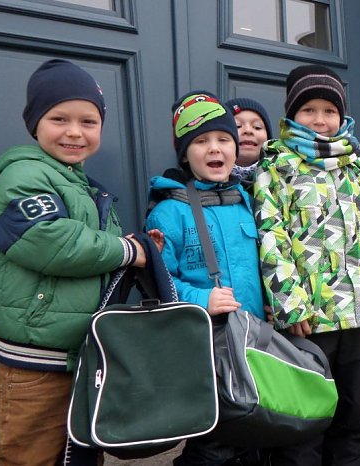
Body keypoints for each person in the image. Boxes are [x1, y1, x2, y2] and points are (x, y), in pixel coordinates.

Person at [0, 58, 153, 465]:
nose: (74, 132)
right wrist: (126, 250)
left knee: (80, 458)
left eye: (88, 122)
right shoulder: (22, 174)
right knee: (28, 457)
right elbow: (46, 239)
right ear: (34, 123)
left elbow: (90, 251)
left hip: (82, 357)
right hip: (34, 365)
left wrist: (130, 246)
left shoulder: (80, 184)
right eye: (59, 118)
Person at [252, 65, 360, 466]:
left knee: (356, 416)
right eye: (310, 109)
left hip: (354, 317)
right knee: (306, 421)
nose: (321, 120)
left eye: (330, 110)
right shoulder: (276, 167)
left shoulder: (354, 166)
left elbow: (358, 235)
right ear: (292, 114)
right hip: (309, 320)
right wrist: (290, 305)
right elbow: (272, 238)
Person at [145, 90, 265, 465]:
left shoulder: (247, 200)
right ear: (184, 153)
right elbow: (158, 283)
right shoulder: (169, 212)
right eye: (201, 141)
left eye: (223, 139)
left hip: (255, 340)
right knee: (214, 445)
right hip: (205, 347)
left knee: (255, 435)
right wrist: (201, 300)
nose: (215, 149)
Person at [225, 97, 273, 184]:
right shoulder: (204, 178)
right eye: (237, 126)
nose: (248, 130)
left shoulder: (283, 177)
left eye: (257, 127)